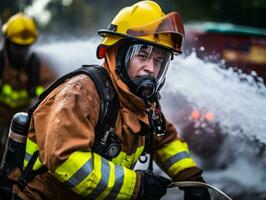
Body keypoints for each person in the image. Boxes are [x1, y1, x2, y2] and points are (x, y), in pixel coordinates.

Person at [11, 1, 210, 200]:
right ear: (117, 52)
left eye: (159, 60)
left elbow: (165, 141)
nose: (150, 68)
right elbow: (66, 160)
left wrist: (192, 180)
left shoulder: (141, 101)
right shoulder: (81, 94)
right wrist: (137, 186)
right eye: (142, 55)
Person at [0, 13, 58, 160]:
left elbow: (54, 88)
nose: (22, 52)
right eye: (17, 46)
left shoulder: (38, 66)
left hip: (23, 125)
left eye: (25, 47)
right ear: (7, 42)